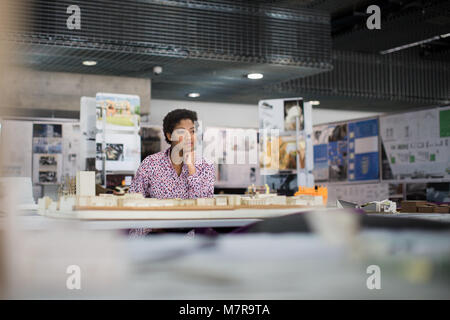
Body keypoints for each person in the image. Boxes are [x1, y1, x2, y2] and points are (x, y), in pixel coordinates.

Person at [128, 109, 215, 236]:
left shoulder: (205, 166)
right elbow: (133, 200)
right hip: (149, 235)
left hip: (185, 240)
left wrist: (191, 168)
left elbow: (204, 207)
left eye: (192, 131)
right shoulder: (151, 163)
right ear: (169, 136)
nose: (189, 137)